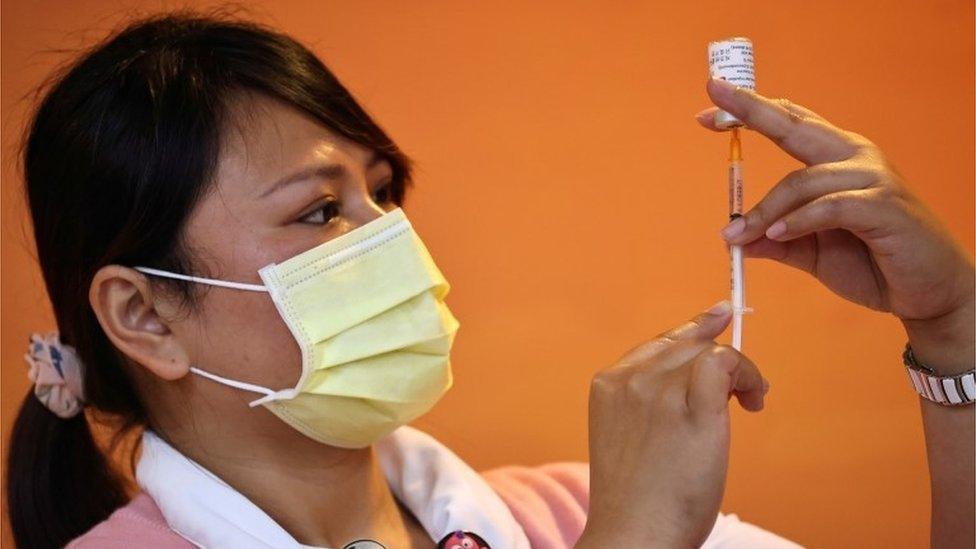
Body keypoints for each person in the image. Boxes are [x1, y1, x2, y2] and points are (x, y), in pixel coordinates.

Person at [7, 10, 973, 549]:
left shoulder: (555, 513)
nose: (390, 242)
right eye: (319, 210)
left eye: (384, 194)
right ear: (144, 314)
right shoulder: (620, 522)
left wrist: (954, 330)